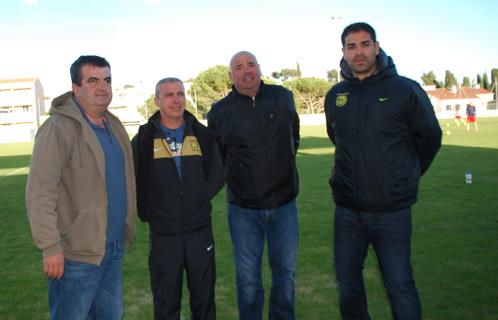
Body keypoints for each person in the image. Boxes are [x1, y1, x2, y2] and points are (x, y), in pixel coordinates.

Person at [324, 22, 442, 320]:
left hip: (392, 211)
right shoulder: (336, 95)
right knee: (348, 285)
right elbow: (337, 139)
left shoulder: (405, 89)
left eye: (365, 44)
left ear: (377, 48)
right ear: (343, 52)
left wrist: (406, 174)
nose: (359, 52)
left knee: (399, 285)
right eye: (351, 46)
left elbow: (429, 137)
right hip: (347, 211)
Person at [26, 55, 136, 319]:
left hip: (112, 248)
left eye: (107, 80)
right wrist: (50, 247)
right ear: (76, 88)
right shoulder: (58, 128)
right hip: (75, 254)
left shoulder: (114, 126)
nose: (103, 87)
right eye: (93, 80)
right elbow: (40, 191)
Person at [207, 51, 300, 320]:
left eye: (251, 65)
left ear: (259, 68)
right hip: (243, 211)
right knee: (248, 281)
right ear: (230, 75)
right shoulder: (220, 111)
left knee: (285, 277)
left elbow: (294, 136)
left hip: (284, 206)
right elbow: (219, 158)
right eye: (239, 67)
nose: (246, 71)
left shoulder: (283, 97)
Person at [132, 77, 224, 320]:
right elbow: (132, 178)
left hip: (199, 231)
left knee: (204, 301)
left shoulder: (201, 134)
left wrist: (199, 197)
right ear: (157, 100)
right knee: (166, 301)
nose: (176, 100)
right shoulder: (143, 138)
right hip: (164, 234)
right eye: (169, 94)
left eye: (180, 94)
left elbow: (218, 173)